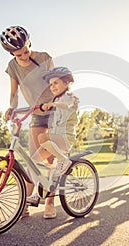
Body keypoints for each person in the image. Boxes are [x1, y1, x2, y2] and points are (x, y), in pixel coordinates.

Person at [0, 25, 55, 218]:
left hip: (54, 111)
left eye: (25, 51)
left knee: (49, 157)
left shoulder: (44, 58)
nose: (23, 57)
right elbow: (14, 92)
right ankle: (26, 200)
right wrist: (11, 107)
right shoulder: (13, 67)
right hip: (36, 113)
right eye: (18, 55)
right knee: (32, 160)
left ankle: (50, 202)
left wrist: (52, 102)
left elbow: (56, 84)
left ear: (29, 43)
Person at [29, 67, 79, 218]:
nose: (53, 87)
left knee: (42, 138)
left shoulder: (71, 97)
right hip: (55, 137)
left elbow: (67, 106)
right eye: (51, 85)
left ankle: (64, 160)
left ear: (67, 83)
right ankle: (39, 192)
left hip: (65, 138)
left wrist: (52, 105)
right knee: (34, 161)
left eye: (56, 83)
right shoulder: (56, 99)